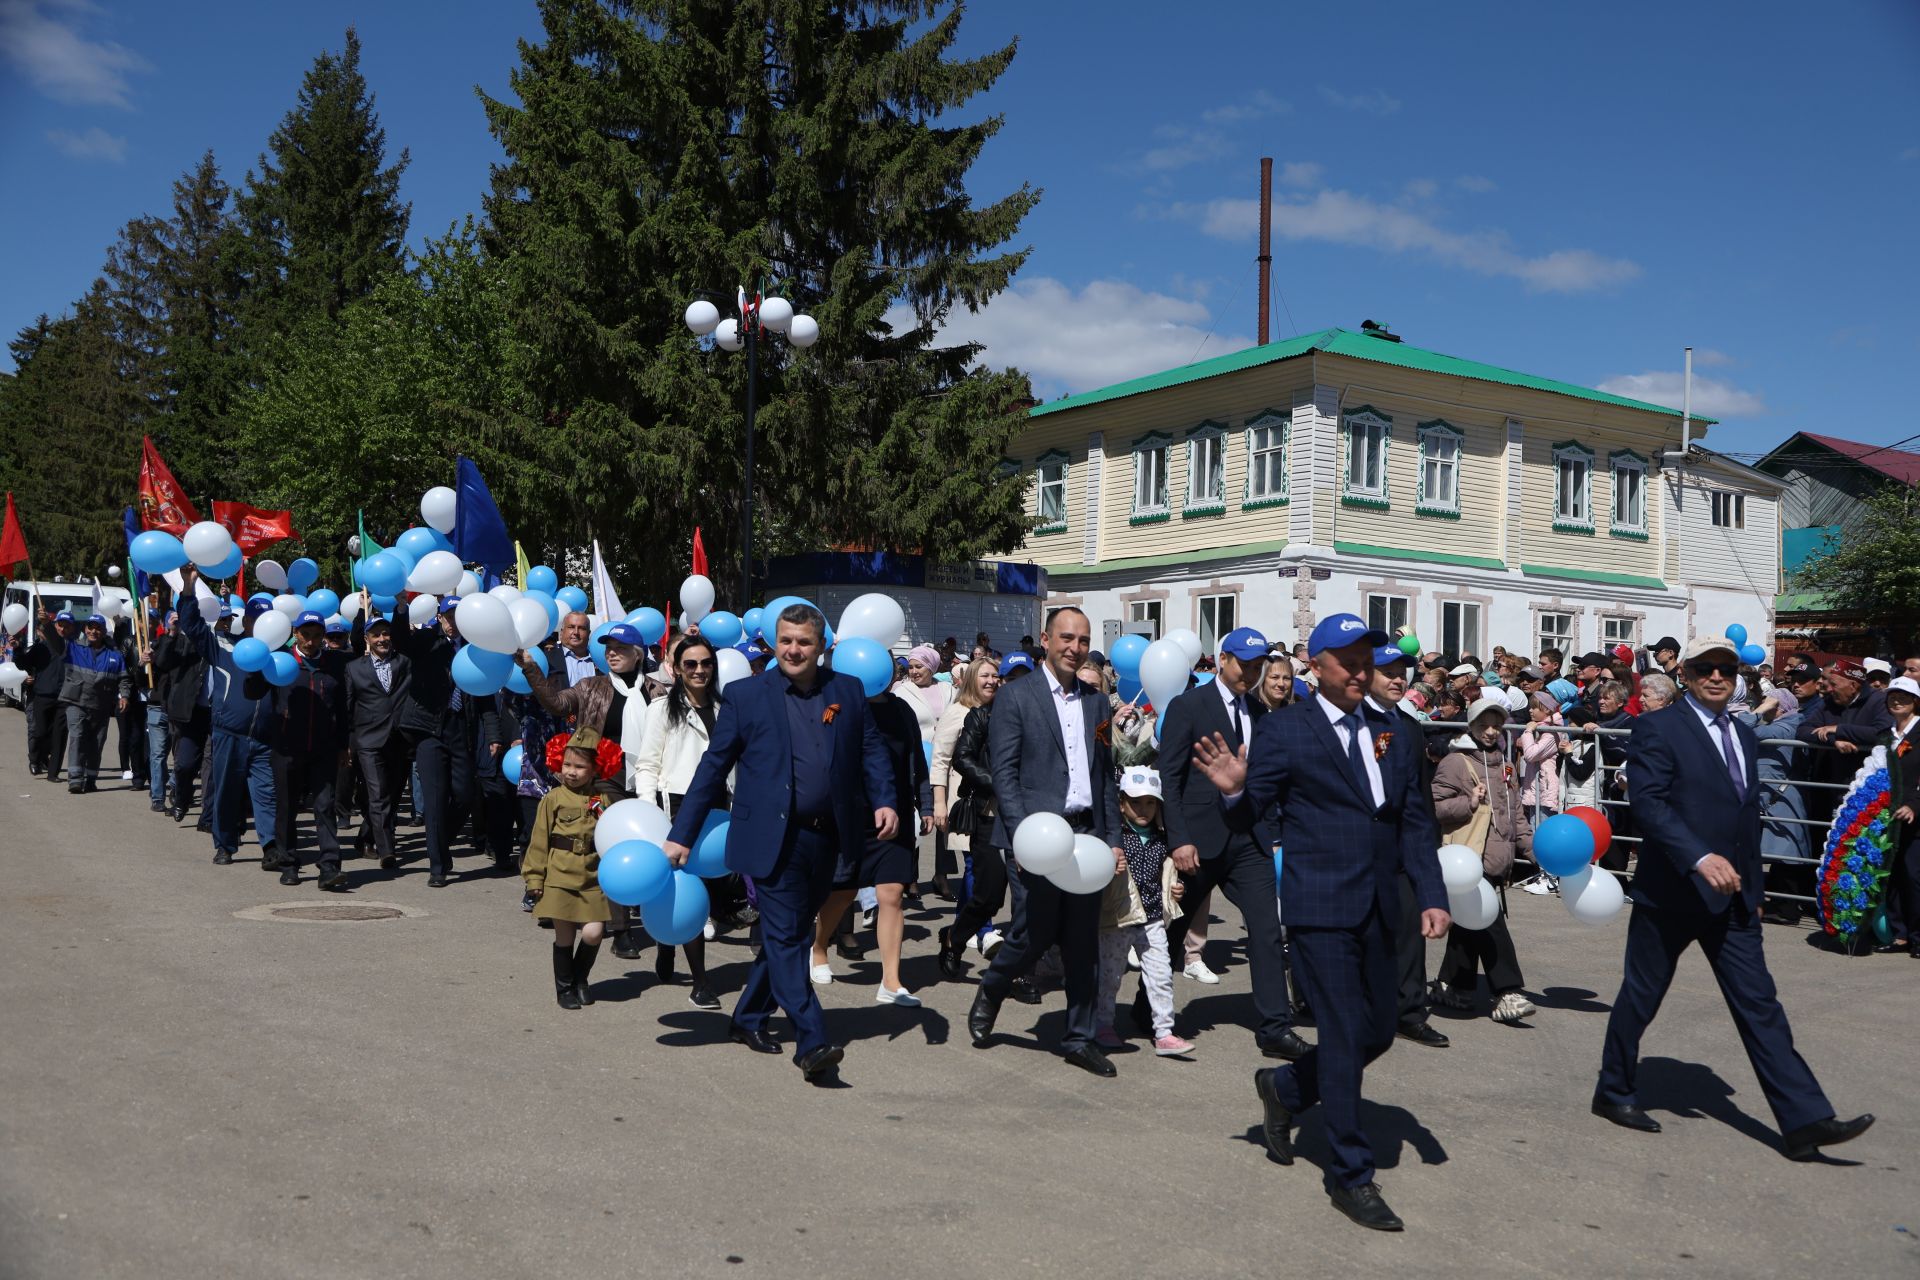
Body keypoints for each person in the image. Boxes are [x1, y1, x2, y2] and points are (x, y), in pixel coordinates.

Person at [1192, 612, 1451, 1233]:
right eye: (1349, 660)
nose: (1363, 670)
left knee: (1380, 1029)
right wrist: (1233, 791)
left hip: (1383, 905)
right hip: (1320, 905)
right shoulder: (1287, 730)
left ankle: (1284, 1088)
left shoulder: (1396, 733)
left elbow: (1413, 820)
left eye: (1369, 659)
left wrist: (1433, 893)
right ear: (1319, 665)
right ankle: (1350, 1173)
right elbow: (1255, 807)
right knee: (1339, 1032)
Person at [1593, 636, 1873, 1161]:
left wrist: (1755, 885)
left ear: (1739, 677)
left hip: (1736, 898)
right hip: (1672, 892)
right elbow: (1649, 805)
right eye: (1705, 668)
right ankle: (1613, 1090)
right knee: (1642, 995)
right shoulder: (1658, 726)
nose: (1717, 676)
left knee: (1760, 1005)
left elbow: (1746, 818)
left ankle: (1804, 1120)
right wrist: (1698, 857)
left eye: (1727, 668)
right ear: (1688, 675)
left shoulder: (1743, 735)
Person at [662, 603, 897, 1081]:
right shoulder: (746, 695)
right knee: (791, 938)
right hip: (771, 838)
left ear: (822, 646)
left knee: (783, 937)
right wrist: (681, 834)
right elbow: (713, 767)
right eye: (785, 640)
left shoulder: (847, 691)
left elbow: (871, 750)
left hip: (827, 837)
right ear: (772, 643)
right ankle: (812, 1041)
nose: (793, 649)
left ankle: (747, 1018)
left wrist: (885, 799)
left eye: (804, 641)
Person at [966, 606, 1124, 1078]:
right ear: (1046, 639)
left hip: (1086, 838)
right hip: (1036, 838)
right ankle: (992, 988)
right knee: (1030, 936)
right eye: (1066, 638)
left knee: (1082, 942)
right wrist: (1022, 838)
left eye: (1083, 640)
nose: (1074, 648)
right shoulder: (1016, 697)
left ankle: (1079, 1036)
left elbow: (1104, 778)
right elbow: (1006, 776)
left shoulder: (1097, 702)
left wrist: (1113, 838)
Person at [1158, 627, 1305, 1059]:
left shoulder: (1262, 713)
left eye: (1259, 664)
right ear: (1223, 660)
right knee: (1175, 930)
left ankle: (1275, 1027)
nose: (1252, 672)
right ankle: (1153, 1006)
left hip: (1250, 840)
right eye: (1245, 663)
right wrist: (1179, 838)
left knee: (1264, 930)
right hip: (1199, 842)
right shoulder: (1189, 706)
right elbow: (1170, 776)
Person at [519, 622, 651, 945]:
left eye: (620, 649)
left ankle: (657, 927)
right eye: (608, 648)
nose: (612, 654)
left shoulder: (656, 691)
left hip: (648, 778)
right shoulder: (591, 686)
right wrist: (531, 669)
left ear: (637, 655)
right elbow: (557, 704)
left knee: (646, 850)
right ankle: (621, 930)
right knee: (615, 848)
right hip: (606, 779)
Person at [812, 668, 931, 1005]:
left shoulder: (901, 709)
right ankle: (819, 948)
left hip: (894, 813)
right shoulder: (837, 706)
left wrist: (924, 804)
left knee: (891, 892)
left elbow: (916, 760)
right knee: (845, 889)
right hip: (850, 813)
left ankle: (891, 981)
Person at [630, 634, 726, 1009]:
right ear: (677, 669)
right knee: (688, 891)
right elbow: (648, 765)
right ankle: (701, 982)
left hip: (719, 807)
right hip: (679, 805)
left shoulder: (725, 707)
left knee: (710, 888)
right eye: (691, 664)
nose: (699, 670)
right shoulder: (661, 709)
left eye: (706, 663)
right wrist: (649, 812)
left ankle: (667, 941)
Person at [1430, 695, 1535, 1023]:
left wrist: (1532, 850)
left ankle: (1455, 986)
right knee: (1489, 923)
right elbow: (1435, 807)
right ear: (1471, 726)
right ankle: (1507, 990)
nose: (1490, 732)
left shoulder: (1503, 763)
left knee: (1468, 924)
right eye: (1483, 725)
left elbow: (1515, 812)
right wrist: (1468, 802)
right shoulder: (1456, 762)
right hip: (1468, 858)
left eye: (1496, 725)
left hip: (1497, 856)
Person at [1367, 643, 1449, 1050]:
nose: (1398, 679)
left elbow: (1419, 792)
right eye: (1388, 672)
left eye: (1403, 672)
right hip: (1359, 848)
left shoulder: (1410, 726)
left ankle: (1409, 1012)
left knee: (1409, 932)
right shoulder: (1353, 721)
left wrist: (1427, 842)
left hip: (1403, 847)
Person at [938, 653, 1034, 996]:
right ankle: (953, 938)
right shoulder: (980, 715)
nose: (1017, 683)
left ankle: (1021, 972)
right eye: (1012, 677)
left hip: (1028, 821)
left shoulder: (1037, 717)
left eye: (1027, 676)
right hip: (988, 816)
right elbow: (961, 757)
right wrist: (997, 782)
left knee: (1026, 899)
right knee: (988, 897)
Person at [244, 611, 351, 890]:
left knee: (325, 806)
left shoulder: (333, 665)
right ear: (295, 632)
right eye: (306, 635)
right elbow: (252, 692)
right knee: (287, 807)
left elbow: (341, 708)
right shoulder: (279, 662)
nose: (311, 641)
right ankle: (289, 863)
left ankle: (329, 867)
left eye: (317, 636)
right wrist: (257, 667)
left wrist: (343, 746)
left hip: (324, 749)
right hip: (287, 749)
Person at [175, 583, 279, 866]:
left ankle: (270, 845)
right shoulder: (223, 648)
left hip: (265, 739)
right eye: (256, 620)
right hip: (228, 735)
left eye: (268, 622)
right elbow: (191, 624)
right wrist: (187, 589)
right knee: (225, 792)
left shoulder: (278, 658)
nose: (262, 626)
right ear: (246, 621)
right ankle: (224, 845)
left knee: (266, 794)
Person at [1096, 767, 1192, 1055]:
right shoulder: (1115, 838)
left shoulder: (1164, 838)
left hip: (1152, 920)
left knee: (1161, 975)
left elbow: (1169, 875)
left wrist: (1177, 890)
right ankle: (1102, 1025)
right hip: (1120, 919)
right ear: (1122, 803)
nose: (1143, 809)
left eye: (1151, 803)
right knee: (1110, 976)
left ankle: (1164, 1032)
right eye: (1136, 802)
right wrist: (1108, 866)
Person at [524, 728, 617, 1010]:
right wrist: (534, 879)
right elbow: (538, 841)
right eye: (567, 765)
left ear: (594, 769)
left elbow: (613, 836)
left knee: (593, 933)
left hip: (591, 878)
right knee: (564, 937)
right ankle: (564, 988)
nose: (571, 772)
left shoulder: (602, 800)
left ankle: (581, 979)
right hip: (559, 876)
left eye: (579, 766)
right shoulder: (552, 799)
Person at [894, 644, 953, 900]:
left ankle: (942, 875)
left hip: (946, 762)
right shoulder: (901, 691)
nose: (914, 672)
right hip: (915, 762)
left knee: (944, 819)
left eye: (920, 667)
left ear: (932, 667)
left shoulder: (948, 689)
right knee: (917, 819)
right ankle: (911, 877)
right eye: (911, 667)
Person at [56, 613, 130, 793]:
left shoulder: (115, 655)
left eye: (98, 628)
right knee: (77, 737)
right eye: (90, 627)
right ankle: (74, 778)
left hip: (101, 706)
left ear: (104, 631)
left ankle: (90, 778)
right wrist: (45, 624)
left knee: (96, 744)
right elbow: (54, 640)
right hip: (76, 702)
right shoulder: (73, 647)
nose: (93, 631)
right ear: (85, 630)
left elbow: (124, 679)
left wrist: (125, 696)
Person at [1877, 676, 1919, 957]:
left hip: (1915, 817)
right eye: (1892, 696)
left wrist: (1915, 805)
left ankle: (1918, 936)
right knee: (1891, 875)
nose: (1897, 700)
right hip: (1889, 817)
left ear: (1916, 701)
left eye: (1903, 696)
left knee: (1914, 876)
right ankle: (1900, 933)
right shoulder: (1886, 735)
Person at [20, 608, 74, 780]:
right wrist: (16, 649)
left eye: (67, 626)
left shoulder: (73, 647)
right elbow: (23, 665)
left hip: (64, 698)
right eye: (60, 625)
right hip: (43, 696)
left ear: (72, 629)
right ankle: (36, 758)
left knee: (59, 737)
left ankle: (53, 773)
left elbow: (60, 645)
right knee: (40, 732)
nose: (63, 629)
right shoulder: (41, 647)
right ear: (55, 625)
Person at [1517, 691, 1564, 817]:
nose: (1530, 711)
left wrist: (1527, 733)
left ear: (1547, 710)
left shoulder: (1551, 733)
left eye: (1534, 708)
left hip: (1546, 787)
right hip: (1538, 785)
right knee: (1534, 825)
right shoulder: (1542, 729)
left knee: (1541, 827)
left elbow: (1531, 755)